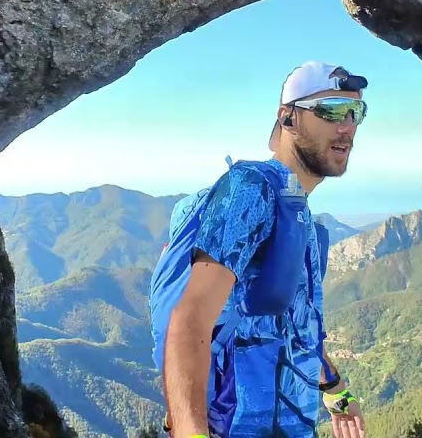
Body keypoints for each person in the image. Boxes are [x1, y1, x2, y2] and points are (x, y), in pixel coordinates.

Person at [154, 61, 369, 438]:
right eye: (332, 109)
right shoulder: (250, 188)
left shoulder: (297, 212)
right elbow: (190, 319)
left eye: (357, 112)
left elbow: (294, 326)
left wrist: (333, 387)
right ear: (288, 118)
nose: (347, 125)